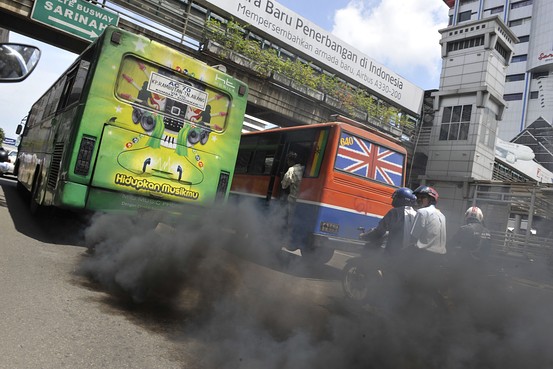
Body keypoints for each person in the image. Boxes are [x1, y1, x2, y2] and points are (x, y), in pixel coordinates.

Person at [360, 187, 417, 255]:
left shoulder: (395, 212)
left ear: (401, 199)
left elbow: (380, 231)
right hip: (409, 254)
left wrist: (365, 236)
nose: (393, 199)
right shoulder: (415, 213)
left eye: (396, 197)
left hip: (394, 253)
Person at [409, 185, 447, 255]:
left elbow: (413, 236)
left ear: (431, 199)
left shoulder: (422, 212)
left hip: (424, 255)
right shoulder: (442, 215)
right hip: (440, 256)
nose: (419, 200)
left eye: (423, 197)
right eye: (418, 197)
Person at [280, 152, 304, 246]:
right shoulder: (303, 169)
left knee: (290, 221)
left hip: (293, 200)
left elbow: (284, 185)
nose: (287, 162)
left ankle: (288, 240)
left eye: (288, 160)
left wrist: (282, 177)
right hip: (303, 200)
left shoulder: (291, 170)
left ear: (291, 161)